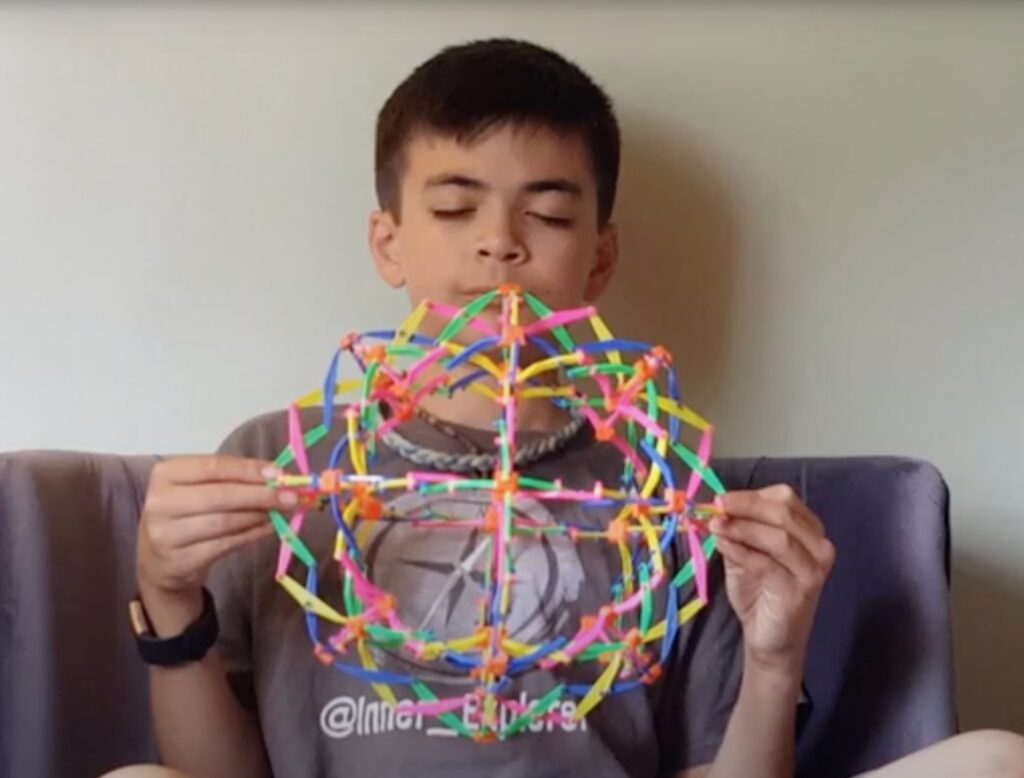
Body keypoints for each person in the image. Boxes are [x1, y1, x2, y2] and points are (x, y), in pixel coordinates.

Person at [109, 39, 1024, 778]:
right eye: (456, 208)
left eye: (545, 216)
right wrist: (169, 595)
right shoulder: (285, 458)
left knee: (995, 760)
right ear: (388, 242)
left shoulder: (663, 488)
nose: (499, 247)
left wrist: (776, 655)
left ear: (598, 258)